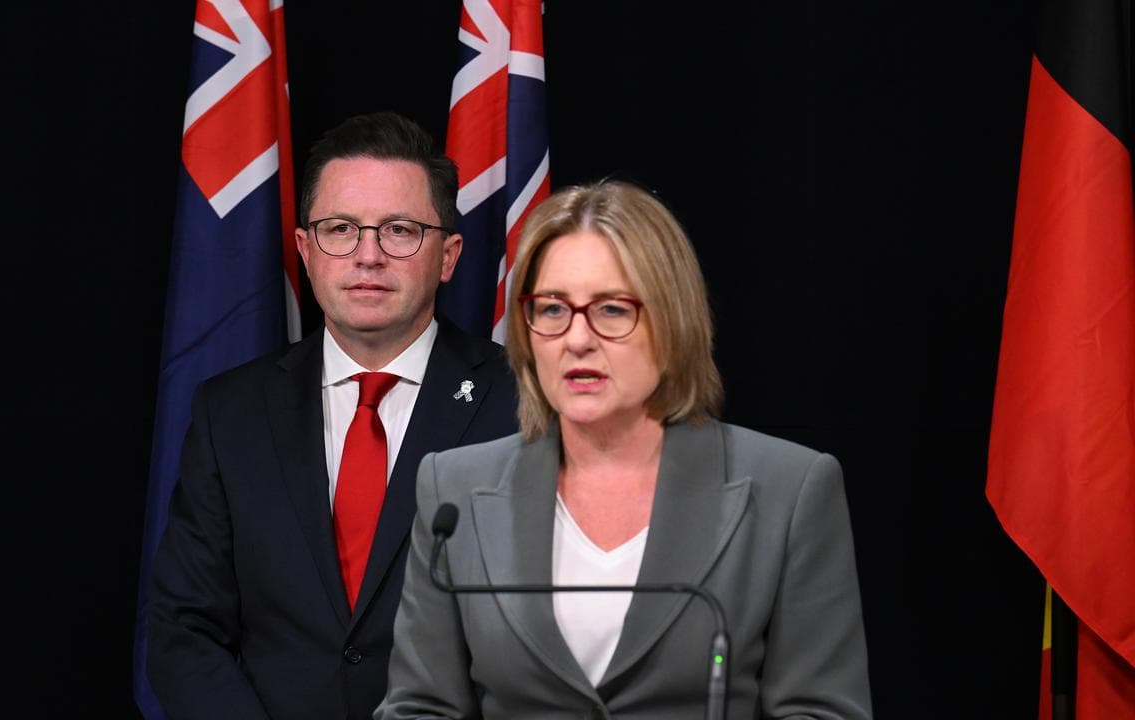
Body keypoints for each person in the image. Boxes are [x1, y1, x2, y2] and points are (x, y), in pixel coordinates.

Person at [376, 180, 872, 719]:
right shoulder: (454, 491)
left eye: (611, 310)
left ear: (673, 322)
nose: (578, 338)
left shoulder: (790, 490)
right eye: (552, 309)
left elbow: (823, 711)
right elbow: (420, 708)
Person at [146, 111, 519, 719]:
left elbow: (549, 632)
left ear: (448, 256)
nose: (367, 255)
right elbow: (183, 629)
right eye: (340, 228)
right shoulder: (230, 413)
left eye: (399, 230)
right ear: (305, 250)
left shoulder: (523, 405)